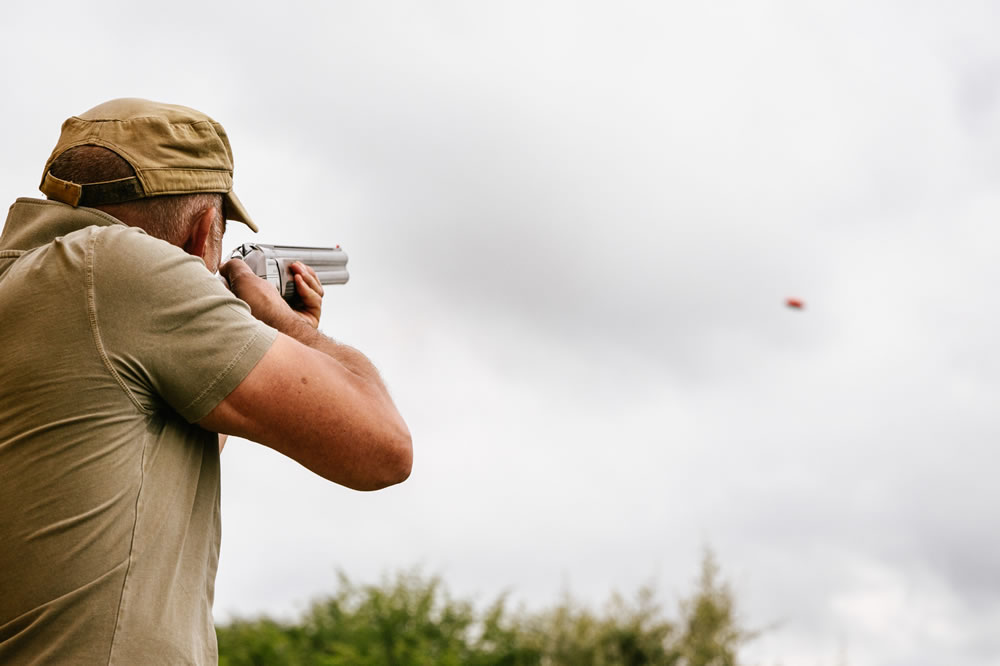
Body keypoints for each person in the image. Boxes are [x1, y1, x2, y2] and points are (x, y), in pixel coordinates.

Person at [0, 98, 412, 665]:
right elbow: (383, 449)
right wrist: (296, 332)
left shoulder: (33, 283)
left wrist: (266, 349)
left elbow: (154, 438)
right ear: (201, 236)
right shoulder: (115, 266)